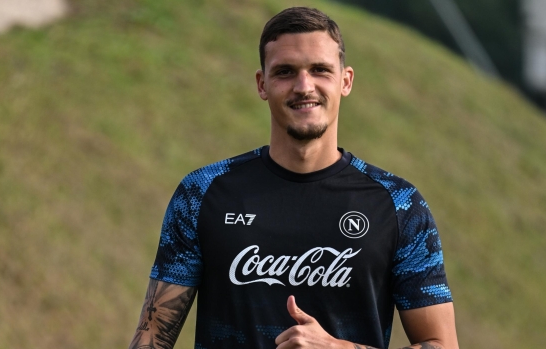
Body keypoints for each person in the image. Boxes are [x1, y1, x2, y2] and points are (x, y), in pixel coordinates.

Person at [129, 6, 459, 349]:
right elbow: (153, 336)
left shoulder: (400, 206)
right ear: (262, 84)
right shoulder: (202, 194)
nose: (304, 86)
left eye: (320, 70)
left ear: (345, 81)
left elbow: (442, 344)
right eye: (285, 72)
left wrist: (337, 348)